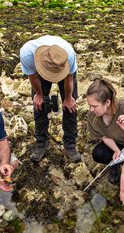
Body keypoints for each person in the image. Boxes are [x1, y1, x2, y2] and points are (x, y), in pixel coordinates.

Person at [20, 35, 81, 163]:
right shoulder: (27, 54)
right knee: (39, 104)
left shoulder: (68, 55)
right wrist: (39, 95)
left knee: (70, 106)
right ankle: (41, 143)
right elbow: (32, 76)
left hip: (63, 69)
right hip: (41, 68)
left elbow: (69, 78)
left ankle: (70, 145)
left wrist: (68, 98)